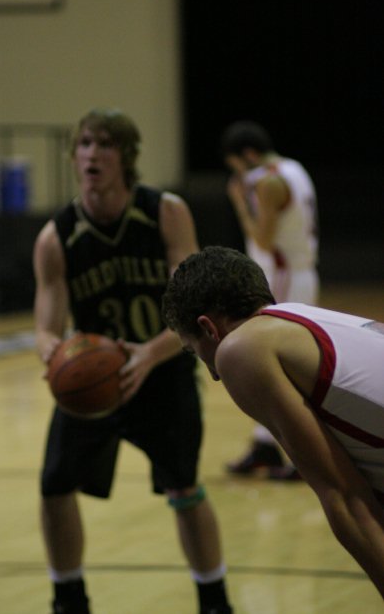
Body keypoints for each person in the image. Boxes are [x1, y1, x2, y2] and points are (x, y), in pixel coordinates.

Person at [33, 108, 234, 614]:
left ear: (126, 156)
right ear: (74, 155)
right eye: (84, 144)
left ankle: (214, 600)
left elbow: (192, 306)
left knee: (185, 488)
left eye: (104, 144)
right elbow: (46, 323)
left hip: (162, 371)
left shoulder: (165, 212)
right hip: (94, 382)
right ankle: (68, 597)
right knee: (55, 485)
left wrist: (147, 354)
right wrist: (50, 350)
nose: (92, 153)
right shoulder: (56, 237)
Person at [162, 245, 384, 598]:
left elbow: (344, 496)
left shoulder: (240, 350)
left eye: (196, 352)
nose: (213, 374)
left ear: (208, 327)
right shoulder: (300, 317)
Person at [221, 120, 319, 480]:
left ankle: (300, 456)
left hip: (282, 276)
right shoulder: (294, 168)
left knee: (275, 367)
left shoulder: (268, 182)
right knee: (278, 366)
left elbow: (262, 240)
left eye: (236, 167)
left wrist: (239, 204)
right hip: (299, 273)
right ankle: (266, 445)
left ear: (248, 155)